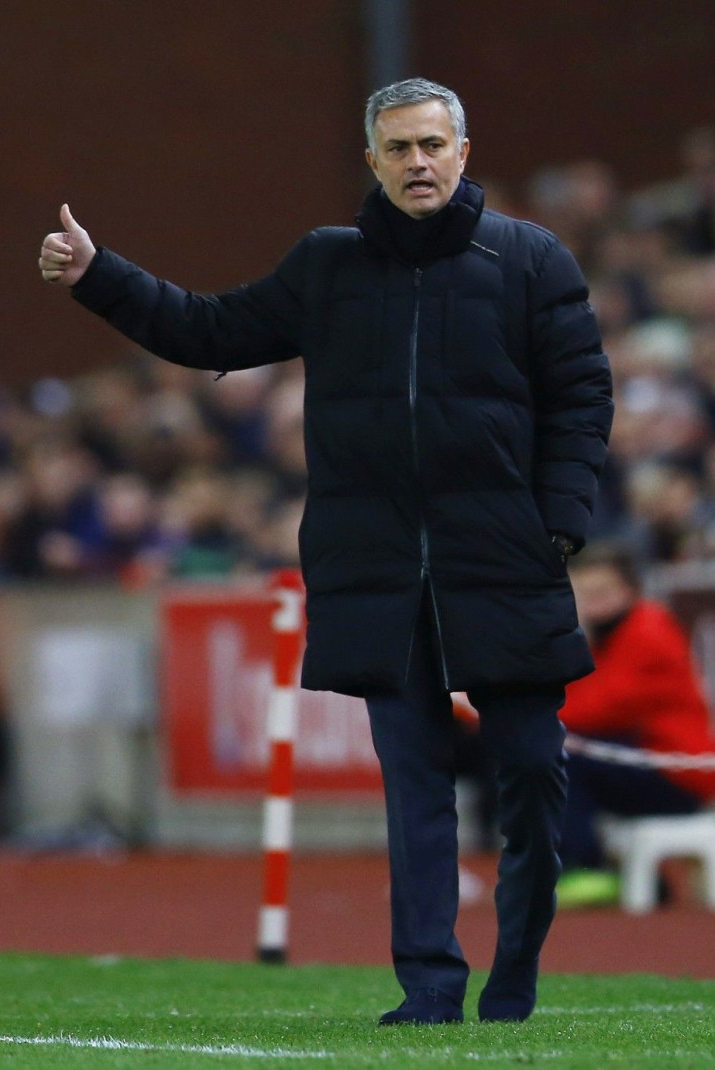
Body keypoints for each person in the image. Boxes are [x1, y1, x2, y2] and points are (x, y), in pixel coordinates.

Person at [39, 78, 613, 1025]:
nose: (418, 163)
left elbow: (583, 396)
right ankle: (429, 989)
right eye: (399, 149)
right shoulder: (327, 266)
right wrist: (102, 274)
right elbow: (208, 331)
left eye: (433, 145)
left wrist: (557, 523)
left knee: (532, 780)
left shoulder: (529, 259)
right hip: (377, 570)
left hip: (508, 561)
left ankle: (516, 974)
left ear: (463, 152)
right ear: (373, 161)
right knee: (415, 791)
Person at [557, 543, 715, 906]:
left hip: (678, 771)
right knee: (562, 752)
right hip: (649, 757)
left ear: (629, 591)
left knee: (562, 759)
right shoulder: (613, 633)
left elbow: (601, 707)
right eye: (583, 594)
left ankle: (585, 868)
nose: (591, 604)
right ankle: (639, 879)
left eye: (601, 593)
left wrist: (523, 716)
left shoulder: (648, 632)